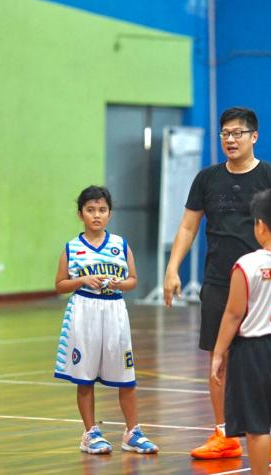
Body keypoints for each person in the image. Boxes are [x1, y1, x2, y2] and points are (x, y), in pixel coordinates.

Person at [163, 107, 271, 462]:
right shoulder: (207, 179)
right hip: (219, 281)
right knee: (218, 358)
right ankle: (224, 434)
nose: (230, 139)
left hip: (266, 284)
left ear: (254, 137)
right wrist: (172, 268)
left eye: (238, 133)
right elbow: (188, 227)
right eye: (225, 133)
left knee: (270, 361)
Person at [211, 188, 271, 474]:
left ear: (261, 225)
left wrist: (219, 352)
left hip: (253, 350)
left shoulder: (247, 265)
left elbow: (233, 314)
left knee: (257, 426)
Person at [53, 186, 158, 455]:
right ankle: (90, 433)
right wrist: (82, 280)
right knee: (85, 377)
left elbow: (133, 280)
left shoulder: (120, 245)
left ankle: (132, 432)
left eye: (102, 210)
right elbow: (60, 284)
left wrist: (119, 283)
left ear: (110, 214)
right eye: (90, 210)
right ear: (80, 214)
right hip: (84, 311)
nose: (96, 215)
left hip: (114, 312)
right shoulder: (72, 247)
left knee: (127, 377)